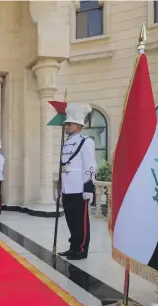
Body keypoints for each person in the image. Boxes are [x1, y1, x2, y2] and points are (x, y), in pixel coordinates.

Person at [57, 103, 96, 260]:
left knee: (81, 222)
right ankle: (73, 246)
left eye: (70, 124)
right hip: (68, 188)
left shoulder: (86, 141)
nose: (66, 126)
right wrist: (59, 186)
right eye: (66, 123)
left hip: (80, 188)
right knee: (71, 220)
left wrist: (88, 186)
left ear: (79, 126)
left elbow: (90, 165)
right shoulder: (66, 142)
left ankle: (81, 249)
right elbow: (63, 166)